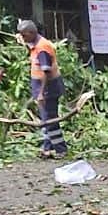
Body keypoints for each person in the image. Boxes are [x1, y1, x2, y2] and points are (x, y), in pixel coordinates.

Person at [17, 20, 68, 158]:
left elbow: (46, 71)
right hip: (42, 87)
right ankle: (47, 148)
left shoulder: (42, 48)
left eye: (24, 35)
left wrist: (41, 93)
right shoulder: (36, 44)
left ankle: (60, 149)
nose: (23, 38)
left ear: (32, 33)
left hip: (47, 88)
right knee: (45, 119)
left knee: (50, 120)